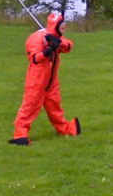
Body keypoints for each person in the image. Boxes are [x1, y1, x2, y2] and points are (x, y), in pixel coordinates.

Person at [9, 12, 80, 145]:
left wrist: (57, 43)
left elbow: (68, 46)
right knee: (29, 106)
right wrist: (48, 50)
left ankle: (64, 128)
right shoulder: (36, 38)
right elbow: (34, 59)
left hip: (51, 81)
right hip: (36, 81)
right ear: (56, 26)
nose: (64, 30)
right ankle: (20, 133)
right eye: (62, 27)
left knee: (55, 106)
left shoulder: (56, 37)